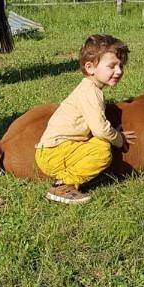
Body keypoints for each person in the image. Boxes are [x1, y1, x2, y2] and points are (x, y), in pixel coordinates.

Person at [35, 34, 135, 203]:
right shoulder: (90, 93)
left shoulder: (90, 89)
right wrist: (119, 138)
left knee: (98, 144)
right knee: (102, 150)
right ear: (90, 68)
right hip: (54, 152)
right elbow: (100, 128)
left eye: (121, 65)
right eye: (112, 66)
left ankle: (81, 176)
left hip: (56, 149)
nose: (119, 71)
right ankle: (64, 185)